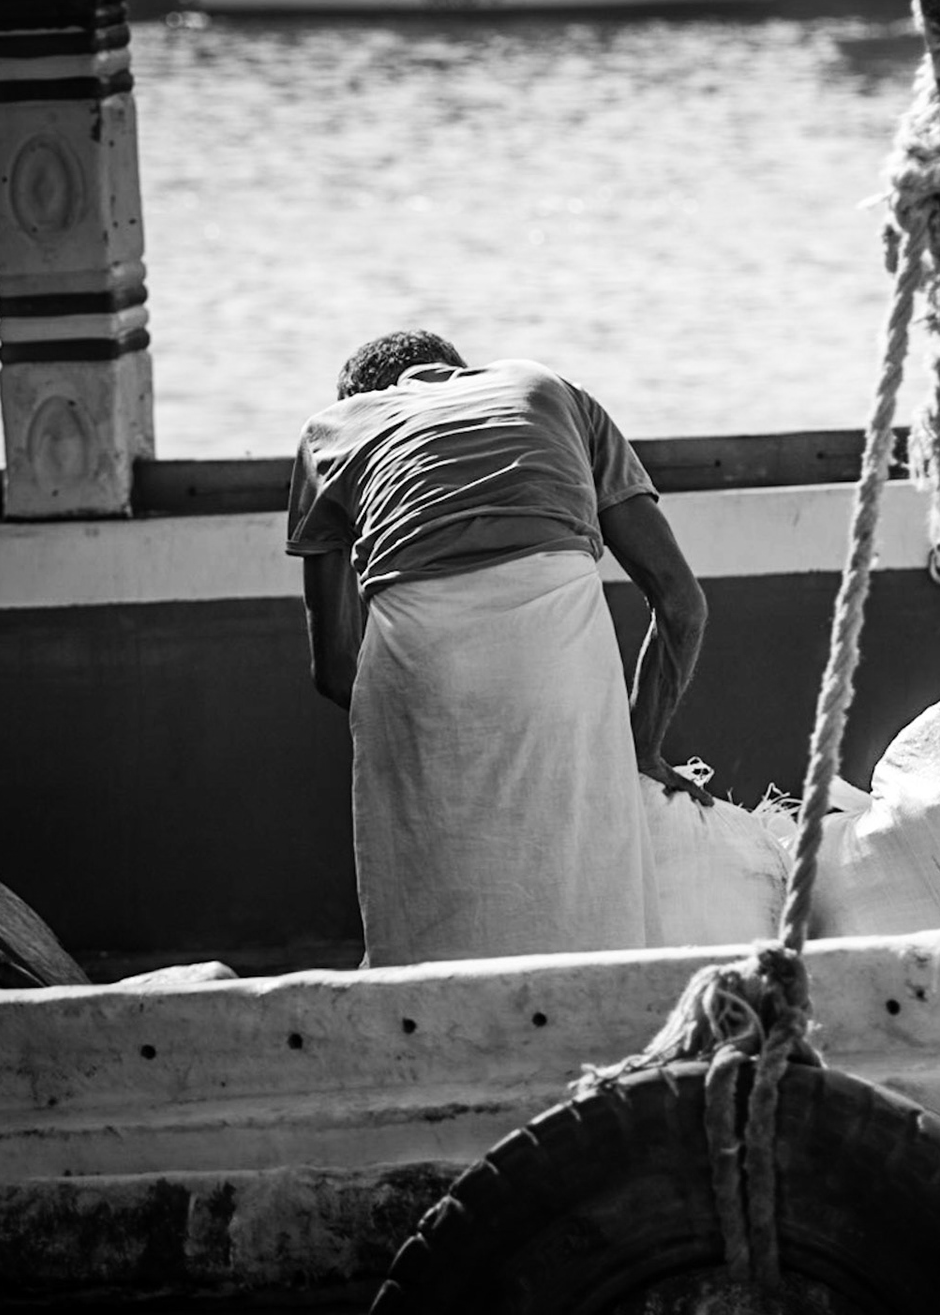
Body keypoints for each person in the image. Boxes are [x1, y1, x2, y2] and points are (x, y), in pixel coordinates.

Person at [285, 331, 710, 965]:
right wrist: (640, 749)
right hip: (559, 645)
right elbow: (681, 604)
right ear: (460, 372)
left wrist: (427, 731)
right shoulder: (546, 388)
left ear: (368, 398)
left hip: (415, 656)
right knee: (589, 888)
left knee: (429, 907)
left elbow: (335, 667)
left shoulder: (335, 430)